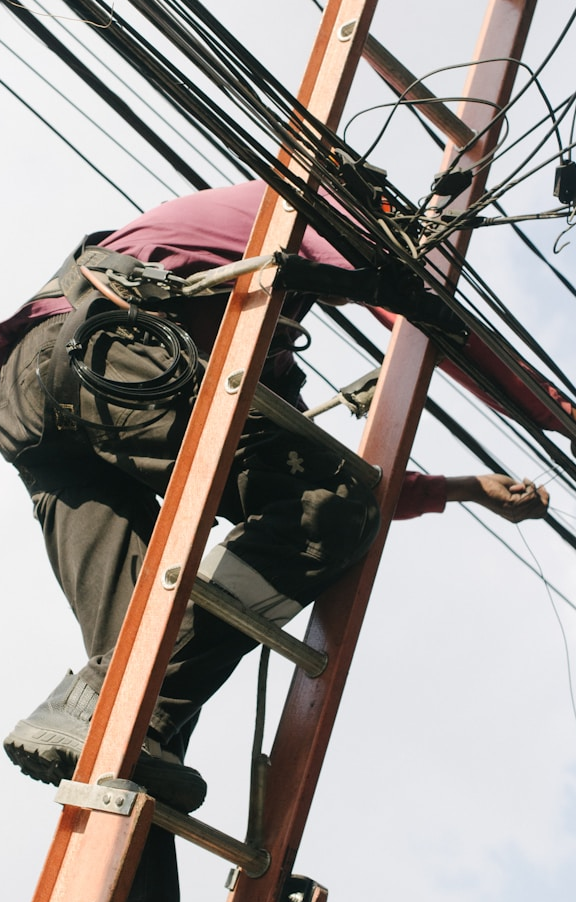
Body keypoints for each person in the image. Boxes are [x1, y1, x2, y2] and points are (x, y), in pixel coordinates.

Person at [0, 180, 550, 901]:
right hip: (104, 352)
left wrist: (459, 488)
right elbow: (405, 296)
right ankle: (101, 705)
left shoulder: (259, 309)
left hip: (34, 403)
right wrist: (551, 409)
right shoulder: (291, 204)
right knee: (326, 509)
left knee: (136, 723)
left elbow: (302, 459)